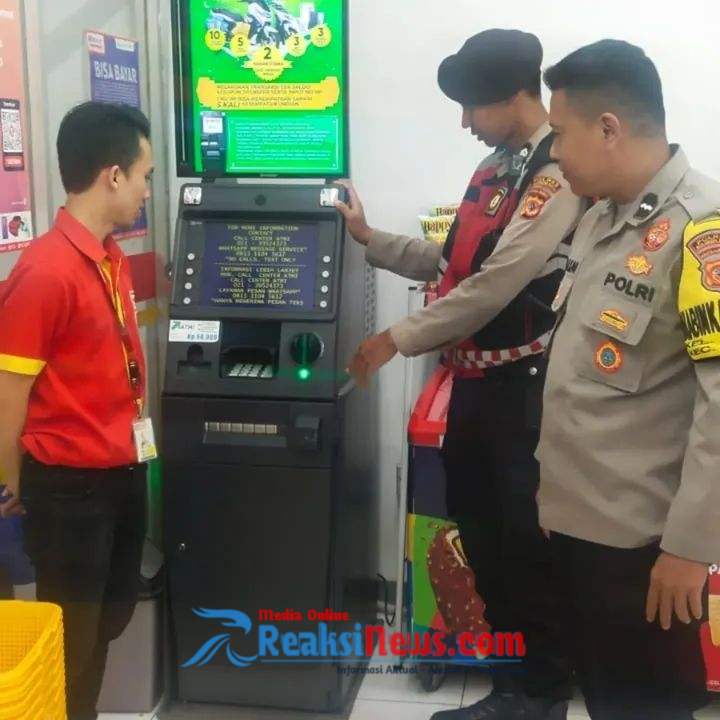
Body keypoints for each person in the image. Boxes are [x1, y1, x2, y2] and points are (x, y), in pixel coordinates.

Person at [336, 29, 586, 720]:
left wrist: (397, 338)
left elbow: (498, 284)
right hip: (472, 389)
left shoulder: (555, 174)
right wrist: (370, 238)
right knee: (482, 541)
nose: (465, 122)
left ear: (514, 97)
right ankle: (510, 692)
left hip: (525, 395)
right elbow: (453, 262)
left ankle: (541, 695)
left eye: (473, 106)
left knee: (526, 550)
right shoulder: (495, 169)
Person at [537, 39, 720, 720]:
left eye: (560, 133)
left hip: (644, 552)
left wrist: (690, 550)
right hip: (580, 524)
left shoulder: (702, 230)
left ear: (609, 128)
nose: (555, 152)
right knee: (606, 696)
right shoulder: (603, 216)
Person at [0, 101, 154, 720]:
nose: (146, 190)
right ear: (113, 175)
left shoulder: (109, 258)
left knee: (110, 618)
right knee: (70, 640)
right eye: (143, 175)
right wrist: (10, 483)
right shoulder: (44, 271)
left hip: (123, 471)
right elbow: (9, 391)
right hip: (69, 490)